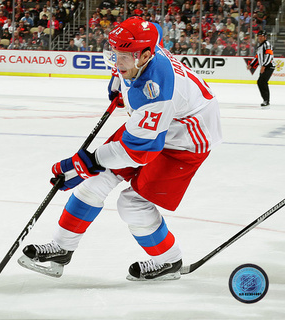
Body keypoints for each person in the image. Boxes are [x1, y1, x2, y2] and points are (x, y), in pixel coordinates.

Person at [18, 17, 222, 281]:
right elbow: (153, 31)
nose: (117, 62)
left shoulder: (155, 93)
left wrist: (86, 162)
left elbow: (141, 150)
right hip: (161, 122)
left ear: (146, 55)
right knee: (97, 179)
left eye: (125, 56)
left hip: (187, 138)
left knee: (132, 203)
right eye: (115, 54)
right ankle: (62, 247)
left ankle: (168, 261)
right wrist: (118, 80)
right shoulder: (145, 50)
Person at [247, 30, 274, 107]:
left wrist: (264, 66)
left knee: (262, 82)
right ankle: (265, 99)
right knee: (260, 82)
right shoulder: (260, 46)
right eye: (259, 36)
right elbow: (257, 57)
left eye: (261, 36)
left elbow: (269, 56)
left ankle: (266, 100)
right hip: (265, 66)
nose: (260, 38)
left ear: (265, 37)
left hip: (269, 66)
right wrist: (251, 65)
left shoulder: (267, 45)